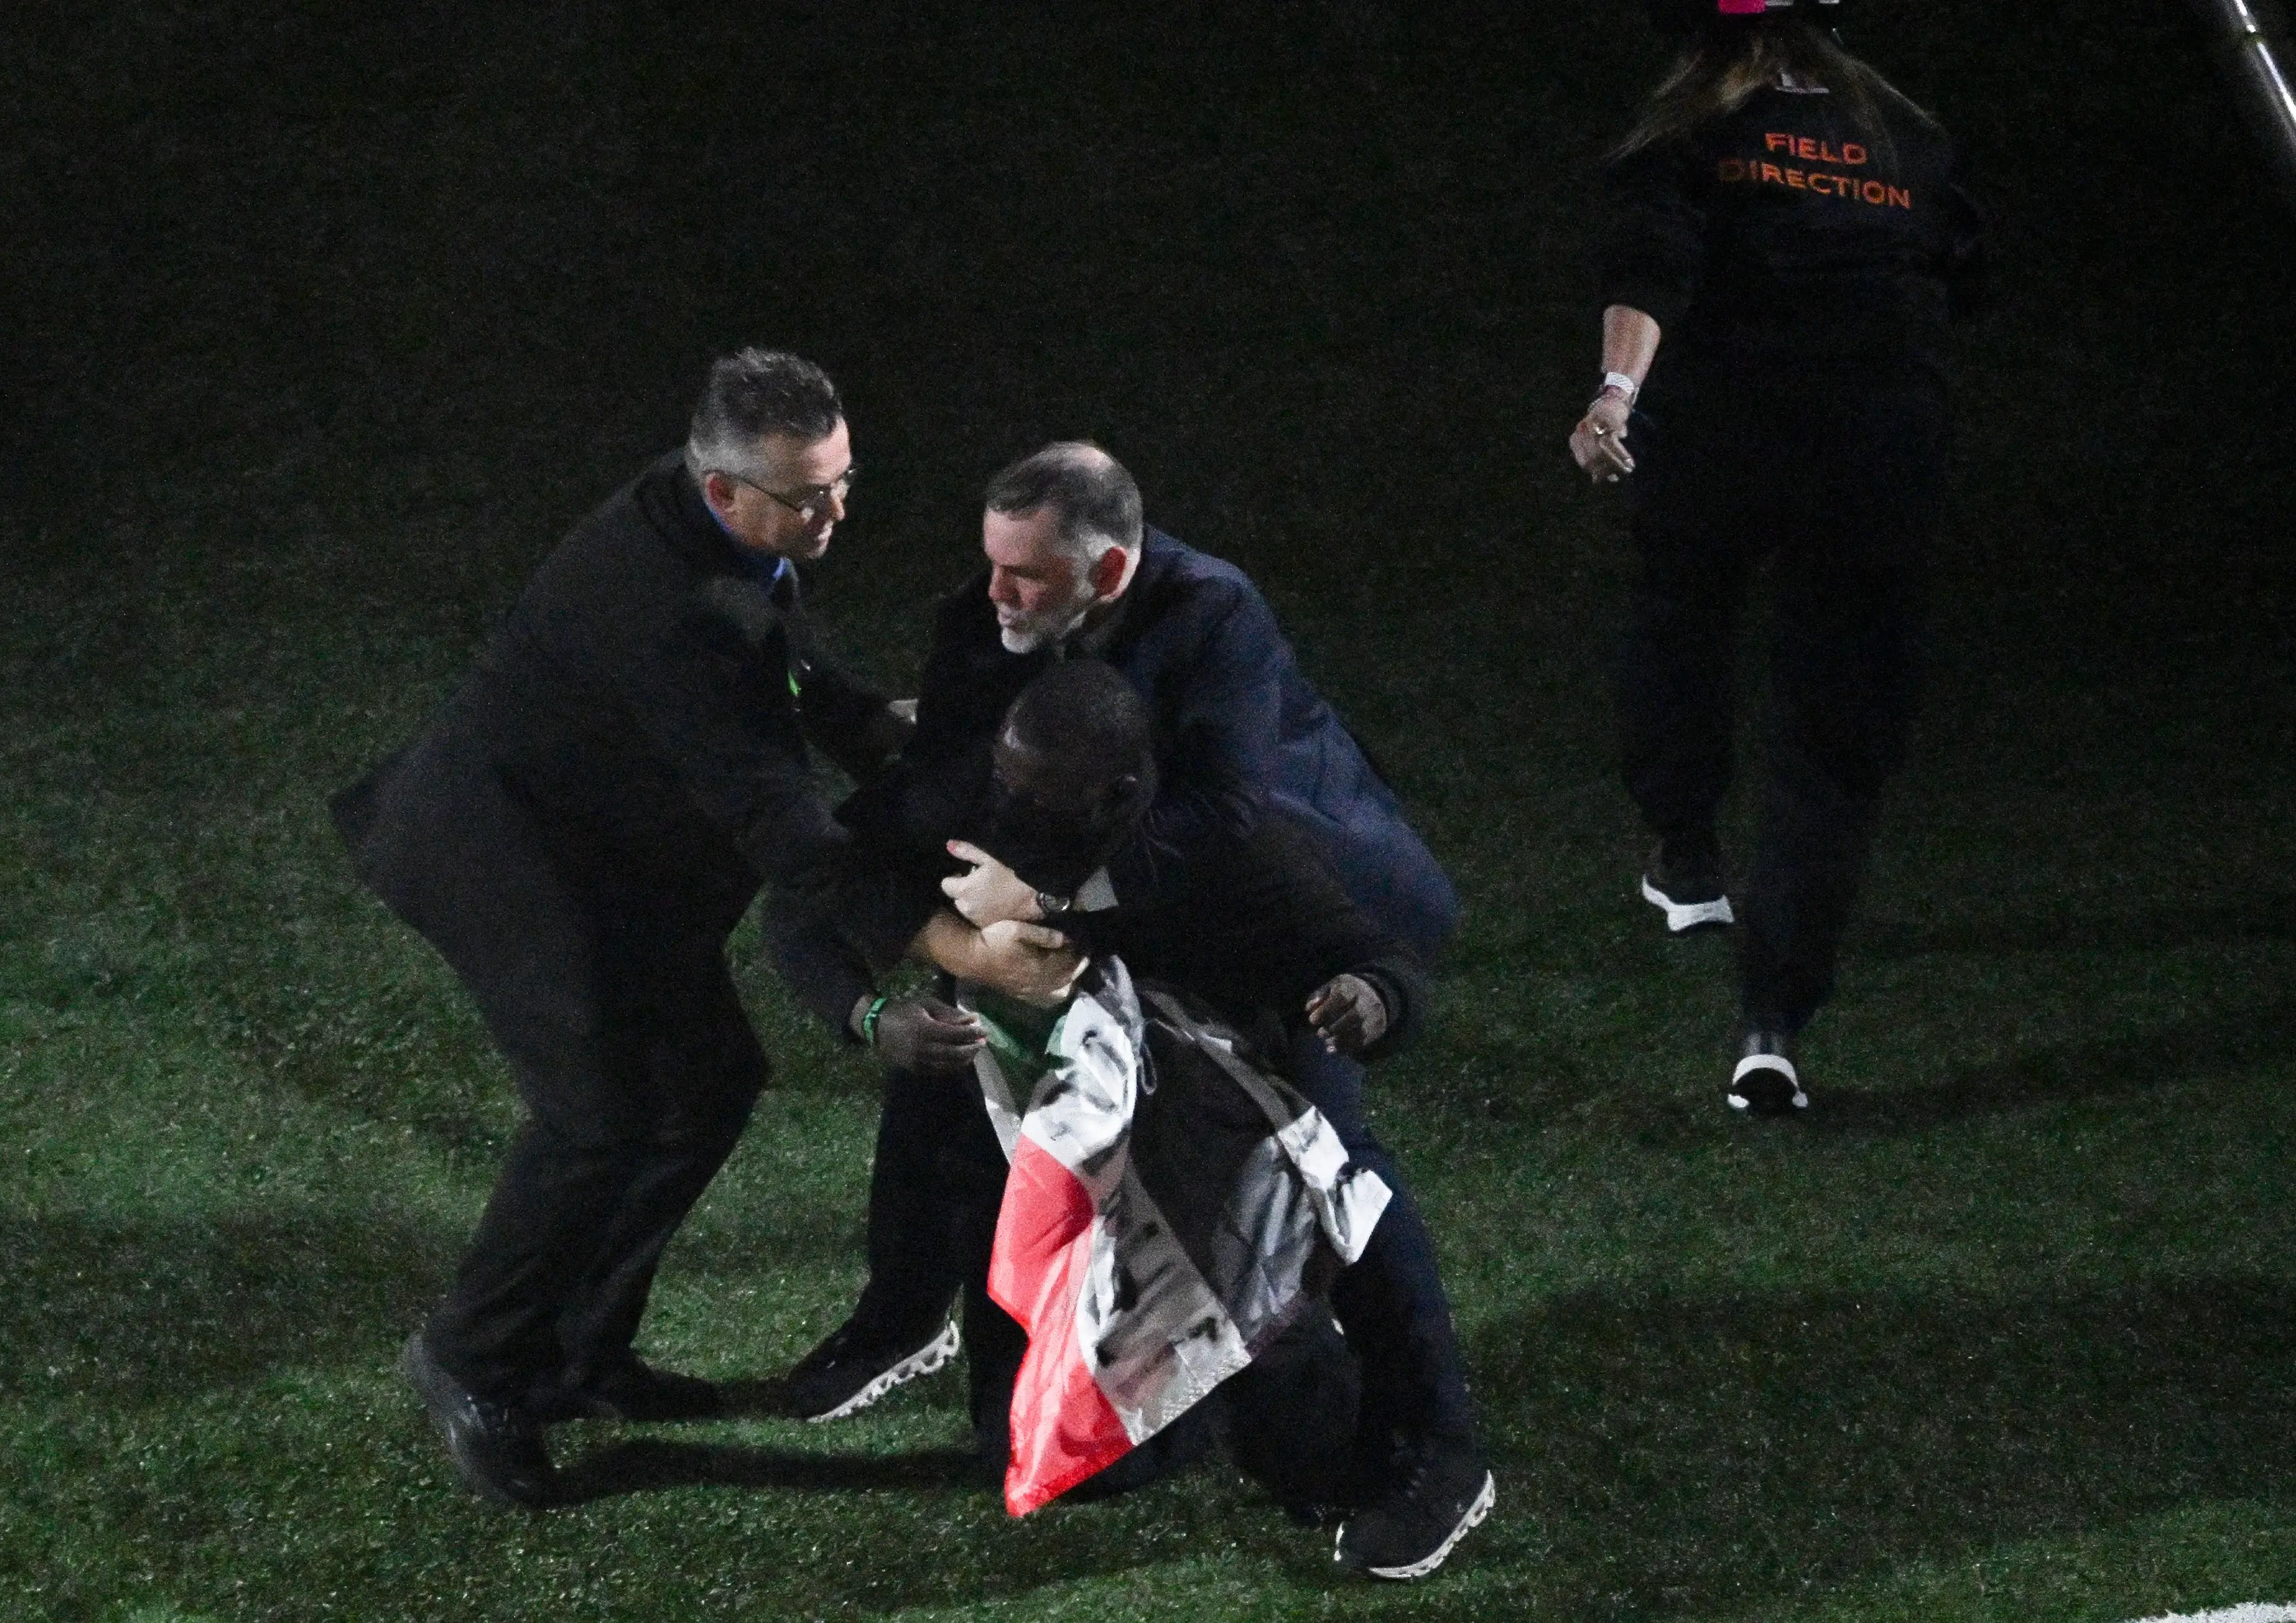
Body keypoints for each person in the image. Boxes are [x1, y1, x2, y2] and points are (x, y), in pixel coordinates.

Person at [329, 348, 908, 1506]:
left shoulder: (722, 523)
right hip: (498, 858)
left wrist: (871, 726)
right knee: (596, 1110)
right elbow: (772, 816)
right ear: (722, 491)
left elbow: (778, 648)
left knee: (709, 1076)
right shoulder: (669, 604)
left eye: (846, 481)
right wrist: (941, 942)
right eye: (812, 496)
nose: (838, 512)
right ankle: (474, 1358)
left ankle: (581, 1348)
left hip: (594, 854)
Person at [768, 659, 1491, 1581]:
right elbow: (806, 899)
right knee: (1055, 1457)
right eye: (1005, 778)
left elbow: (1370, 959)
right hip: (1048, 1122)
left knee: (1298, 1373)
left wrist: (1372, 998)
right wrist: (870, 1016)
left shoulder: (1220, 843)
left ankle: (1377, 1416)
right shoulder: (968, 792)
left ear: (1117, 795)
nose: (1011, 806)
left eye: (1037, 793)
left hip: (1210, 1110)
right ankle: (917, 1319)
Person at [1569, 0, 1984, 1112]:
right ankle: (1773, 1022)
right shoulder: (1906, 135)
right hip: (1877, 452)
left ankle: (1687, 848)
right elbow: (1967, 271)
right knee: (1832, 740)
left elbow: (1652, 263)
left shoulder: (1690, 129)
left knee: (1679, 615)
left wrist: (1617, 392)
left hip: (1727, 436)